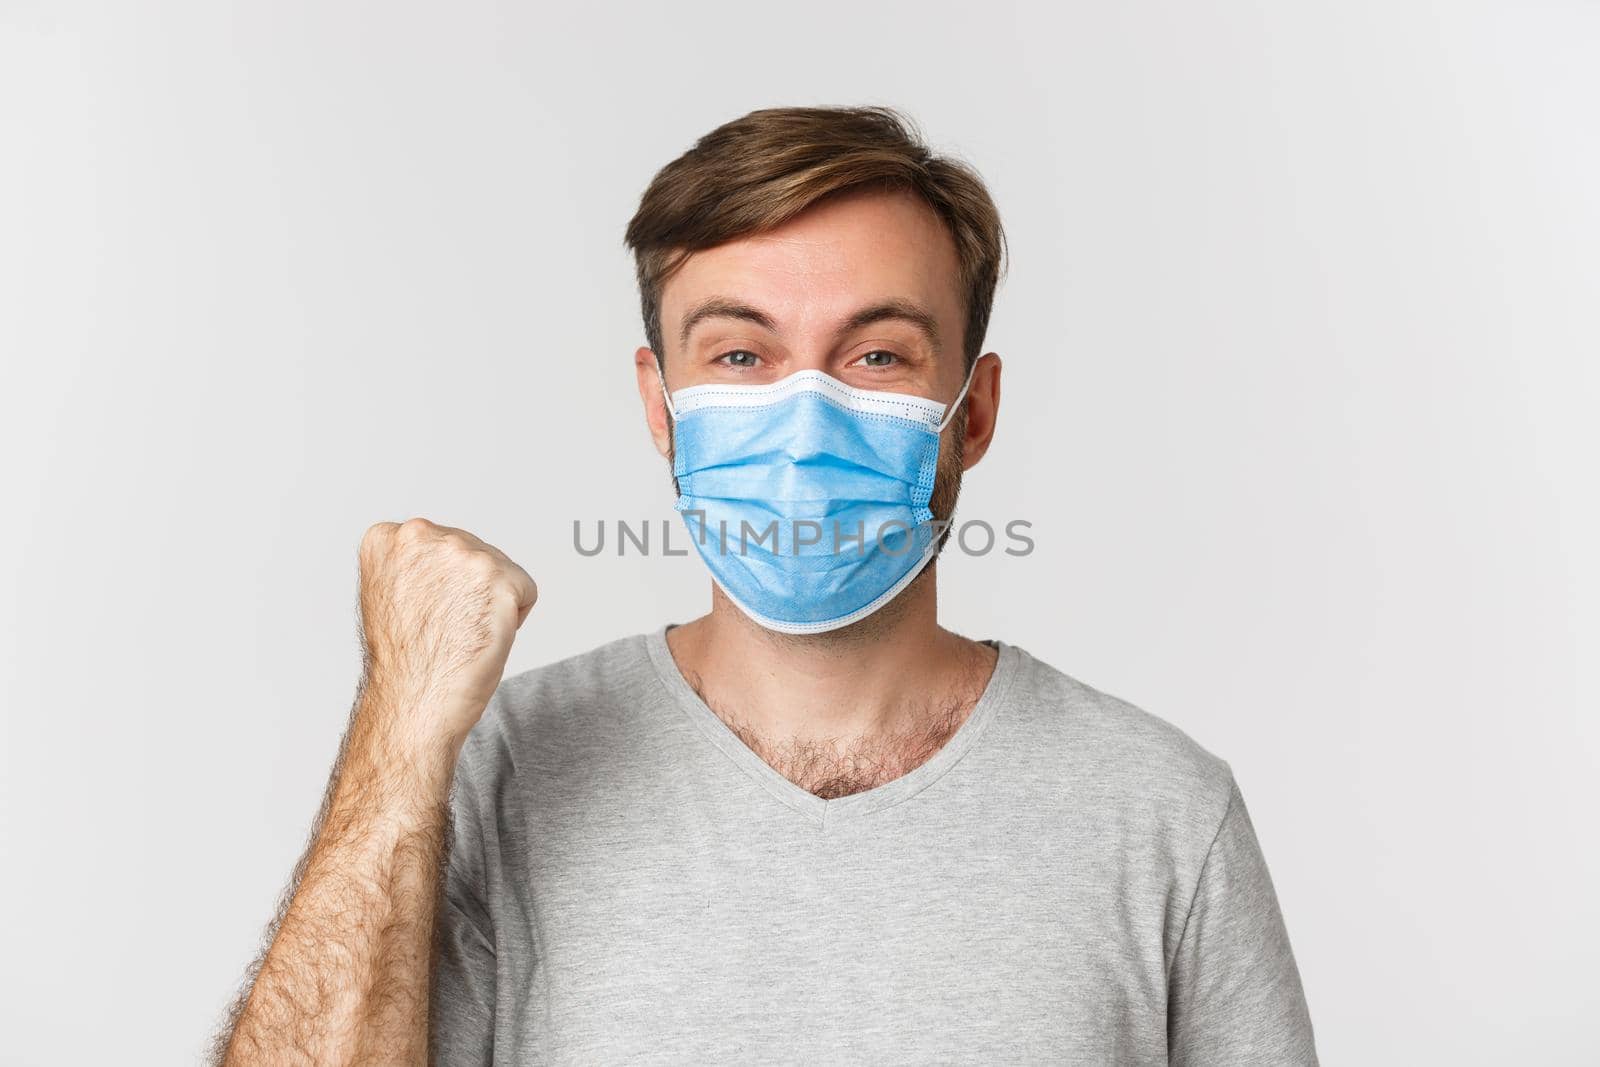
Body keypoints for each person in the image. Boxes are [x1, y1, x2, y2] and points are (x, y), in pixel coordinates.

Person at [211, 105, 1318, 1065]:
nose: (803, 416)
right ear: (660, 405)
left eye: (876, 354)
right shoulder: (495, 772)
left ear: (970, 413)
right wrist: (399, 733)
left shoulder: (1161, 811)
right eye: (739, 356)